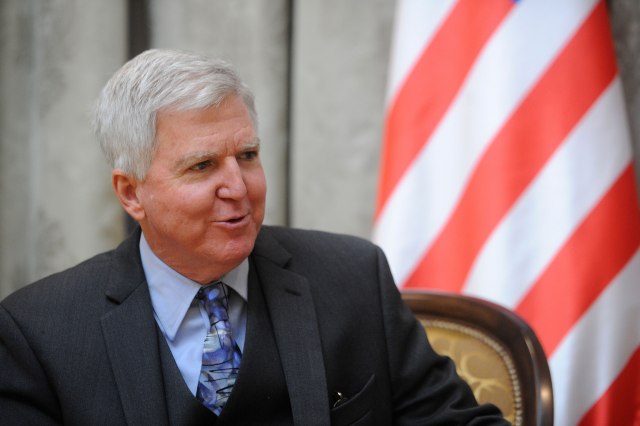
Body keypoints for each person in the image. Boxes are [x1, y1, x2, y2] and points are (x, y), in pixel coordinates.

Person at [0, 49, 509, 425]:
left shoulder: (354, 279)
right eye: (202, 166)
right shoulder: (39, 333)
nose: (239, 188)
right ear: (131, 193)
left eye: (246, 156)